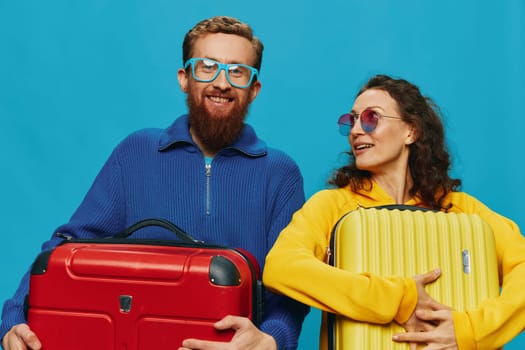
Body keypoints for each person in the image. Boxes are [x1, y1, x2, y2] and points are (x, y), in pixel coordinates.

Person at [0, 15, 309, 350]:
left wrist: (272, 340)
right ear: (184, 78)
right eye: (207, 66)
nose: (222, 82)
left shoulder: (280, 173)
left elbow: (291, 284)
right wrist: (14, 318)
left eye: (237, 71)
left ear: (254, 89)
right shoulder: (136, 153)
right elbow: (68, 246)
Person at [263, 74, 525, 349]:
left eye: (370, 118)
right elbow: (281, 268)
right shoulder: (332, 206)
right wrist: (399, 299)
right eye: (350, 121)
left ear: (411, 131)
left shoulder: (460, 210)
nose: (355, 130)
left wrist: (470, 331)